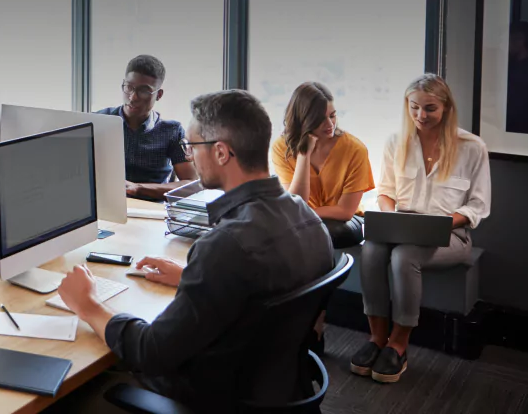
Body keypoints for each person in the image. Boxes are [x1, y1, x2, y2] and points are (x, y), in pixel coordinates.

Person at [56, 89, 335, 408]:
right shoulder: (309, 219)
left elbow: (151, 352)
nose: (189, 156)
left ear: (221, 152)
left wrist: (88, 304)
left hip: (211, 398)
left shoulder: (226, 246)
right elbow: (260, 291)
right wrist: (194, 277)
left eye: (192, 146)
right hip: (274, 386)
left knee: (81, 389)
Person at [351, 74, 492, 384]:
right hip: (402, 226)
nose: (421, 115)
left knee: (405, 256)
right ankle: (377, 338)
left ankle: (398, 345)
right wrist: (391, 218)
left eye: (430, 108)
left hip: (451, 235)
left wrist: (441, 224)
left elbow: (478, 206)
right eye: (414, 107)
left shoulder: (472, 148)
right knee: (371, 249)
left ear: (446, 108)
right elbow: (386, 191)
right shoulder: (396, 141)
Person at [270, 81, 372, 248]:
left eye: (332, 116)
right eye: (320, 120)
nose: (330, 125)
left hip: (347, 221)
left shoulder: (355, 149)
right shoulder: (281, 147)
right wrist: (304, 154)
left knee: (314, 231)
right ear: (303, 119)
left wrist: (305, 215)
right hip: (302, 219)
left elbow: (345, 211)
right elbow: (297, 201)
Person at [92, 55, 198, 200]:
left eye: (144, 91)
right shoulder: (98, 121)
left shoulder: (171, 131)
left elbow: (191, 185)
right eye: (129, 87)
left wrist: (138, 189)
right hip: (105, 204)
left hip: (151, 208)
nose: (133, 97)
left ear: (158, 95)